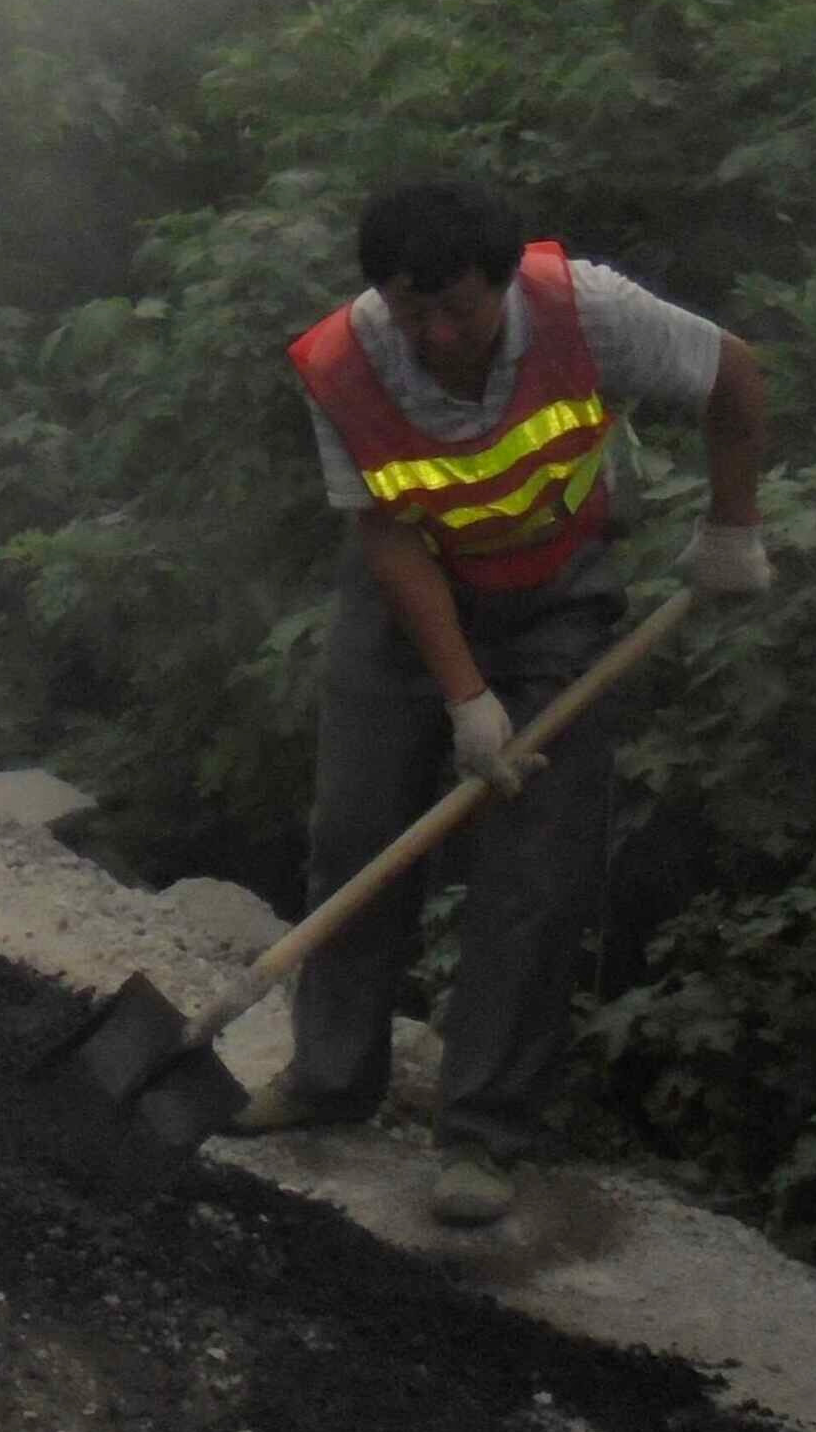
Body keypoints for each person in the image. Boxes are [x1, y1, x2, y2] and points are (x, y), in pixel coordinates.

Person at [248, 177, 770, 1226]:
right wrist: (467, 698)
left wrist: (731, 526)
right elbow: (388, 535)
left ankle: (485, 1132)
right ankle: (330, 1077)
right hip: (410, 603)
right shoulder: (345, 361)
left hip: (557, 596)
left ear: (502, 284)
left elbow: (736, 376)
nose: (437, 335)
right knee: (357, 828)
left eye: (460, 310)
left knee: (536, 870)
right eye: (415, 312)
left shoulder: (591, 313)